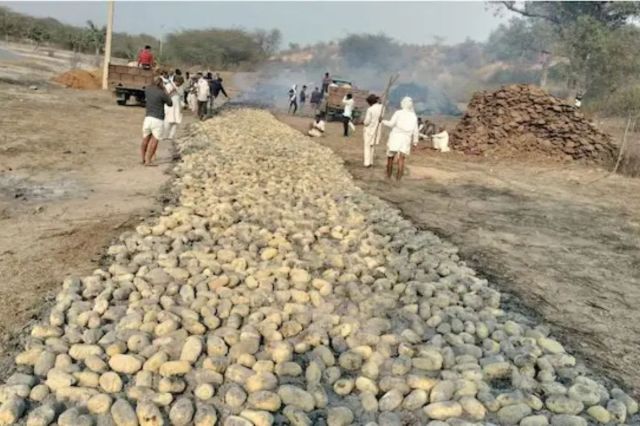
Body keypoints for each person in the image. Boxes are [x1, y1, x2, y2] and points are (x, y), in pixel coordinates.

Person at [382, 96, 419, 180]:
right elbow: (415, 131)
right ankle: (398, 179)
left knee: (390, 157)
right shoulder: (413, 116)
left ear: (403, 103)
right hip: (406, 139)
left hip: (395, 137)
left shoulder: (398, 113)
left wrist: (383, 121)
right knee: (401, 159)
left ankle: (388, 176)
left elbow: (391, 124)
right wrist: (415, 142)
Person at [140, 76, 172, 166]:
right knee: (154, 140)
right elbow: (170, 103)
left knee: (145, 139)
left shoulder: (148, 90)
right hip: (158, 119)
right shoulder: (162, 93)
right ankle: (148, 161)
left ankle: (142, 158)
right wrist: (165, 91)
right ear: (161, 83)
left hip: (148, 118)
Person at [363, 94, 383, 167]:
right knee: (372, 146)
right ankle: (371, 162)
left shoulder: (370, 109)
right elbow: (381, 104)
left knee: (367, 146)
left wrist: (364, 122)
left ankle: (367, 163)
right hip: (377, 130)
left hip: (369, 130)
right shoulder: (381, 108)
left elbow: (367, 121)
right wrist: (379, 101)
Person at [164, 73, 184, 140]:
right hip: (169, 105)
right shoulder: (168, 86)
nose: (180, 84)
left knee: (176, 121)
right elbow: (165, 95)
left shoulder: (179, 88)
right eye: (179, 83)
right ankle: (164, 135)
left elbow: (180, 98)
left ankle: (171, 136)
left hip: (177, 106)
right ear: (176, 81)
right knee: (168, 120)